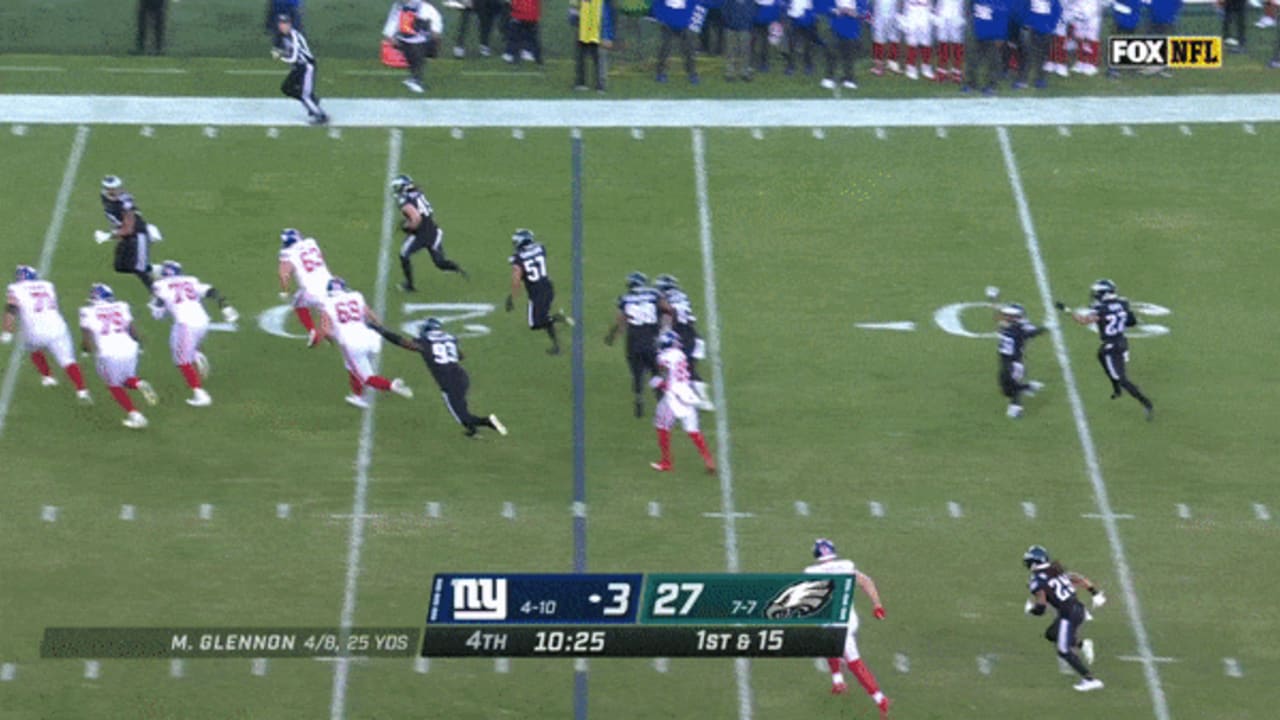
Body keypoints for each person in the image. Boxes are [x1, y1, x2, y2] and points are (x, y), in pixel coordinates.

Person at [367, 317, 508, 436]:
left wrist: (381, 331)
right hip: (462, 376)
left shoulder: (425, 341)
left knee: (462, 416)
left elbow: (402, 342)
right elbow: (461, 355)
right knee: (461, 406)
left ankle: (487, 421)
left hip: (448, 381)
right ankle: (472, 431)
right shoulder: (451, 338)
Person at [805, 539, 891, 719]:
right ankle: (838, 681)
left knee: (854, 662)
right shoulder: (846, 566)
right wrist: (877, 605)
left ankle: (880, 699)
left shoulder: (811, 572)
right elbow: (866, 582)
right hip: (848, 618)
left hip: (837, 624)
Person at [1058, 279, 1154, 419]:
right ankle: (1116, 388)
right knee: (1100, 355)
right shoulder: (1122, 303)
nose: (1095, 295)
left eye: (1097, 293)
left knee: (1122, 379)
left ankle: (1146, 403)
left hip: (1112, 346)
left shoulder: (1100, 309)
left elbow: (1082, 321)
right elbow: (1132, 321)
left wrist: (1066, 310)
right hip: (1121, 341)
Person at [149, 260, 239, 407]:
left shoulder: (160, 285)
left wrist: (156, 309)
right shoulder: (190, 280)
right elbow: (212, 291)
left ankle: (200, 394)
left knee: (182, 361)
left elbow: (158, 312)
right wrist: (225, 307)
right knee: (176, 344)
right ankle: (196, 354)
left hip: (185, 324)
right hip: (203, 321)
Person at [316, 277, 414, 409]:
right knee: (352, 367)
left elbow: (326, 330)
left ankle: (391, 386)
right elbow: (371, 315)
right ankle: (358, 397)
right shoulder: (356, 296)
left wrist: (332, 339)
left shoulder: (327, 303)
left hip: (352, 343)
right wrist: (380, 328)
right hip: (370, 339)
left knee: (366, 377)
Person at [1022, 545, 1106, 692]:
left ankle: (1090, 679)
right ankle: (1082, 644)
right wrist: (1095, 593)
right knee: (1051, 634)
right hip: (1078, 609)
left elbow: (1041, 608)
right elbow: (1078, 579)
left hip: (1068, 615)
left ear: (1034, 563)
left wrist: (1031, 610)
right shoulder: (1055, 570)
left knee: (1063, 650)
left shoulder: (1037, 581)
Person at [2, 266, 90, 404]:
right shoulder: (48, 286)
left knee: (32, 347)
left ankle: (47, 376)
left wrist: (7, 331)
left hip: (34, 331)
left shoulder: (15, 288)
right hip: (57, 328)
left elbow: (11, 309)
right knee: (68, 361)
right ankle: (82, 391)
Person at [79, 283, 158, 430]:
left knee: (114, 386)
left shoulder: (87, 311)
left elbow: (86, 338)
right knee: (126, 379)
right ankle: (138, 383)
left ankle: (135, 416)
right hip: (129, 348)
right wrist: (139, 343)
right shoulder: (122, 306)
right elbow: (132, 330)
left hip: (109, 352)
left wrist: (86, 350)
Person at [649, 331, 716, 473]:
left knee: (662, 426)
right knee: (693, 430)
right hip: (687, 393)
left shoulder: (663, 357)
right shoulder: (681, 355)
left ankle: (666, 462)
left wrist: (658, 384)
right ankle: (708, 459)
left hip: (673, 396)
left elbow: (666, 378)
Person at [391, 174, 469, 293]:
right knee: (440, 262)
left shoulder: (404, 200)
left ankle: (409, 285)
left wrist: (407, 226)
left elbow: (416, 219)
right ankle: (459, 269)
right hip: (433, 230)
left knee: (403, 254)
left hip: (421, 233)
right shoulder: (417, 193)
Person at [604, 271, 662, 418]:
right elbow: (666, 310)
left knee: (637, 373)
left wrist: (612, 336)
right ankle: (661, 400)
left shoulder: (625, 299)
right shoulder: (654, 294)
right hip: (651, 339)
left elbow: (621, 321)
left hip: (634, 341)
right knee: (656, 371)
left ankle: (639, 397)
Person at [506, 229, 572, 355]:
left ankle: (556, 318)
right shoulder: (541, 248)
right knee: (543, 318)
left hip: (536, 292)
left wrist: (512, 297)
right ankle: (557, 345)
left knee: (535, 324)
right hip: (547, 286)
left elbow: (516, 279)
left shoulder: (517, 258)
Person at [653, 274, 711, 409]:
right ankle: (703, 398)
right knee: (690, 368)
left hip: (680, 338)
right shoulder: (683, 296)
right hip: (694, 336)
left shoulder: (664, 300)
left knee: (680, 369)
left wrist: (662, 334)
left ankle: (692, 400)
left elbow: (667, 318)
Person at [96, 175, 160, 292]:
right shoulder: (105, 197)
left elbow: (129, 228)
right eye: (109, 188)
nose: (113, 191)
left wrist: (108, 236)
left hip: (138, 234)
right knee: (120, 266)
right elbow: (116, 220)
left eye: (115, 188)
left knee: (140, 270)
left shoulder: (125, 202)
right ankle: (152, 269)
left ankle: (158, 296)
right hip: (126, 235)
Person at [277, 228, 331, 347]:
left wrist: (285, 290)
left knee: (297, 302)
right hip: (329, 286)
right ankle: (328, 330)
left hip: (311, 291)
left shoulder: (287, 253)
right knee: (327, 309)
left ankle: (313, 331)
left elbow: (283, 274)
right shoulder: (311, 242)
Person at [272, 13, 329, 125]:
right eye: (281, 24)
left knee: (305, 95)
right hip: (297, 67)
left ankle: (321, 115)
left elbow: (292, 57)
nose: (283, 26)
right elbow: (276, 52)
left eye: (285, 24)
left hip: (307, 66)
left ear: (290, 24)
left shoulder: (295, 36)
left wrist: (281, 56)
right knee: (286, 88)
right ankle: (313, 101)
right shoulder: (280, 36)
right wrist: (278, 52)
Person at [992, 298, 1045, 419]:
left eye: (1011, 316)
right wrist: (993, 300)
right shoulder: (1008, 326)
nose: (1007, 317)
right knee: (1005, 389)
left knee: (1012, 387)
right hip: (1004, 361)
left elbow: (1032, 332)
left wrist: (1044, 328)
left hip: (1015, 363)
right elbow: (998, 318)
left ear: (1018, 317)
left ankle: (1015, 410)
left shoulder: (1020, 329)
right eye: (1008, 315)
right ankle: (1029, 387)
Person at [384, 0, 444, 93]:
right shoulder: (400, 7)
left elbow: (434, 20)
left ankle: (415, 79)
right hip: (408, 37)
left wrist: (435, 33)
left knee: (417, 59)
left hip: (416, 37)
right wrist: (390, 35)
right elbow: (393, 20)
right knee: (414, 59)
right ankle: (415, 79)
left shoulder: (422, 7)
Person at [964, 0, 1009, 93]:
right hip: (977, 30)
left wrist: (1000, 36)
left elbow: (1003, 17)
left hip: (992, 32)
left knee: (993, 60)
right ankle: (971, 84)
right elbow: (971, 10)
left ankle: (992, 85)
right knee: (972, 58)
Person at [1015, 0, 1060, 88]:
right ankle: (1023, 79)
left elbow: (1057, 10)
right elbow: (1021, 7)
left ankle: (1041, 78)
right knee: (1025, 54)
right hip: (1028, 28)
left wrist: (1051, 25)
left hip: (1045, 29)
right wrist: (1024, 22)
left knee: (1042, 55)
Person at [571, 0, 615, 91]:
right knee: (580, 57)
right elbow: (574, 8)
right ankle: (580, 82)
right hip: (583, 30)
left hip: (598, 31)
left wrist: (607, 36)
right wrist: (574, 18)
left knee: (600, 58)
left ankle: (601, 85)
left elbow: (609, 16)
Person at [653, 0, 699, 82]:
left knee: (688, 49)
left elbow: (694, 3)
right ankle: (660, 73)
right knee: (665, 48)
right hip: (668, 23)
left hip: (683, 22)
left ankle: (692, 73)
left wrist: (689, 18)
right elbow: (657, 4)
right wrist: (660, 18)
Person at [825, 0, 866, 88]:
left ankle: (849, 78)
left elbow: (862, 12)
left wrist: (853, 12)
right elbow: (827, 8)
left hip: (852, 29)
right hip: (836, 27)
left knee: (849, 55)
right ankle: (829, 77)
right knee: (832, 52)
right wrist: (836, 11)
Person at [900, 0, 934, 79]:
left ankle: (926, 68)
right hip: (911, 10)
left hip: (925, 11)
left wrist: (932, 12)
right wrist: (902, 17)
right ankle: (911, 69)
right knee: (912, 41)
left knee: (926, 42)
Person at [934, 0, 967, 82]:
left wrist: (964, 15)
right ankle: (942, 72)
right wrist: (936, 13)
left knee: (957, 45)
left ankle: (957, 72)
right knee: (943, 44)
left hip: (957, 15)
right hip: (942, 14)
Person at [723, 0, 755, 80]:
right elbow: (724, 10)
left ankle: (744, 73)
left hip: (745, 28)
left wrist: (748, 23)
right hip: (731, 28)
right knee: (730, 51)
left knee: (745, 51)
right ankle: (730, 73)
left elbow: (752, 11)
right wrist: (728, 23)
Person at [750, 0, 784, 73]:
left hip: (770, 17)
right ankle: (751, 61)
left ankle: (764, 63)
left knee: (765, 42)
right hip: (756, 17)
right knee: (753, 40)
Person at [870, 0, 902, 74]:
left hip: (893, 15)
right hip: (879, 16)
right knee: (878, 40)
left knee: (894, 39)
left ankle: (892, 63)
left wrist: (899, 15)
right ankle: (879, 66)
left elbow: (900, 3)